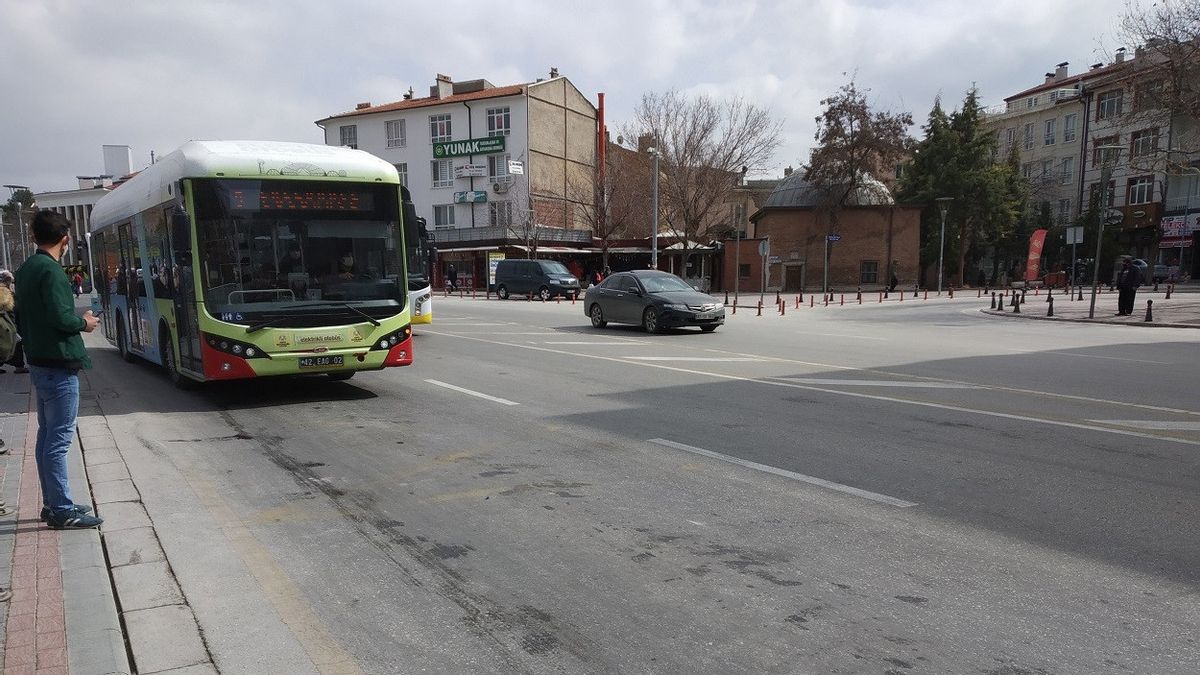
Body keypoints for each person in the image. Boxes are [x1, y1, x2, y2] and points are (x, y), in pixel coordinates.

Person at [15, 211, 102, 529]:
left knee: (47, 435)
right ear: (65, 239)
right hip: (58, 363)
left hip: (38, 360)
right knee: (59, 439)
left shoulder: (25, 268)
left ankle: (54, 503)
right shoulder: (50, 271)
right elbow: (60, 317)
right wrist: (85, 322)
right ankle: (62, 509)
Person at [0, 271, 27, 374]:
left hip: (8, 323)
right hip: (8, 324)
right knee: (15, 343)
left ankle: (18, 365)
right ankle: (19, 366)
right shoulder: (5, 293)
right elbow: (12, 308)